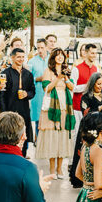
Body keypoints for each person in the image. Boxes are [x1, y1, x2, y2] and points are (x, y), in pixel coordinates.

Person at [34, 47, 74, 178]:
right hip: (52, 106)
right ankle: (52, 170)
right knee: (52, 136)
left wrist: (66, 77)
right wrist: (58, 78)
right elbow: (47, 88)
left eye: (61, 55)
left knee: (62, 135)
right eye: (57, 55)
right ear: (53, 58)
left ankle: (60, 169)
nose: (60, 57)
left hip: (65, 106)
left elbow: (72, 87)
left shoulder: (67, 71)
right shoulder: (48, 71)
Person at [0, 47, 37, 157]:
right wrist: (3, 113)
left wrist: (27, 94)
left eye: (22, 57)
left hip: (24, 110)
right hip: (9, 110)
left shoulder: (28, 74)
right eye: (18, 57)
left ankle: (22, 157)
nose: (21, 59)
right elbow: (1, 95)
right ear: (12, 58)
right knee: (9, 138)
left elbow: (33, 91)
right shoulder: (5, 73)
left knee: (23, 137)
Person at [26, 37, 50, 133]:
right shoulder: (32, 61)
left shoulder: (52, 59)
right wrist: (37, 78)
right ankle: (38, 141)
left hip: (50, 92)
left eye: (42, 48)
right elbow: (28, 79)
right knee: (38, 119)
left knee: (49, 117)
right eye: (38, 48)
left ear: (46, 47)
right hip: (38, 93)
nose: (40, 50)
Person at [71, 43, 101, 118]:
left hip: (92, 107)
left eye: (96, 53)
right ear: (86, 53)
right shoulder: (76, 69)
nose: (94, 55)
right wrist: (87, 86)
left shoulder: (96, 69)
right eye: (92, 53)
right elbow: (72, 88)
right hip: (78, 107)